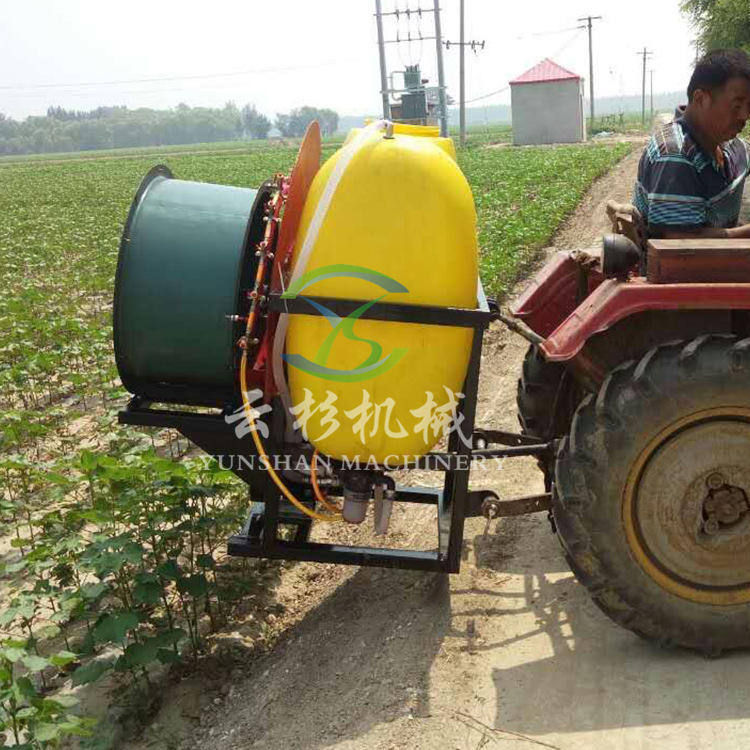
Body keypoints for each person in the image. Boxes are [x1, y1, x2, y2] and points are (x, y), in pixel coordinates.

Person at [633, 49, 750, 239]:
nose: (745, 116)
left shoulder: (730, 144)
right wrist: (745, 233)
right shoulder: (675, 156)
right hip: (683, 267)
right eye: (736, 105)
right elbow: (681, 246)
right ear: (700, 99)